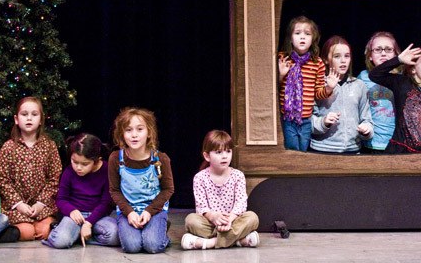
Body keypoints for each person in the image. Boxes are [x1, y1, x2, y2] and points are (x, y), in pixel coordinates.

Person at [0, 96, 63, 240]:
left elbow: (54, 178)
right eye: (24, 114)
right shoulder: (8, 147)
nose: (29, 118)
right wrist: (18, 204)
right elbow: (2, 180)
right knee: (27, 232)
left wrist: (40, 203)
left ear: (41, 120)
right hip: (17, 207)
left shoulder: (49, 146)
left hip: (42, 206)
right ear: (16, 119)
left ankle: (39, 224)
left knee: (45, 232)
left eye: (34, 114)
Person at [108, 107, 174, 254]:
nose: (134, 135)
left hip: (154, 210)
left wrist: (149, 211)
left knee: (152, 245)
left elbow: (168, 189)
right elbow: (114, 190)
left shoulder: (160, 158)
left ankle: (161, 233)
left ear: (149, 132)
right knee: (132, 246)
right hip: (128, 210)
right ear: (122, 134)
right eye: (128, 130)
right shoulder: (115, 158)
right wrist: (129, 212)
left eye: (140, 129)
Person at [182, 130, 259, 250]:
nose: (224, 156)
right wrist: (213, 217)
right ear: (207, 156)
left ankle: (210, 243)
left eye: (228, 151)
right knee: (191, 220)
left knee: (252, 218)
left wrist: (229, 219)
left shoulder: (238, 176)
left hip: (233, 221)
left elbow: (241, 203)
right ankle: (238, 240)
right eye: (218, 152)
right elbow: (201, 207)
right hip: (210, 223)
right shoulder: (200, 178)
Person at [42, 133, 119, 248]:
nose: (78, 167)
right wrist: (71, 210)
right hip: (75, 216)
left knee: (115, 235)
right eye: (75, 162)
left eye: (85, 164)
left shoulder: (106, 170)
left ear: (96, 161)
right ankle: (72, 233)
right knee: (60, 241)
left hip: (98, 216)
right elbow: (61, 199)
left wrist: (89, 223)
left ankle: (79, 236)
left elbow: (105, 203)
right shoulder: (69, 172)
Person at [278, 15, 334, 151]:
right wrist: (281, 75)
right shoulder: (283, 58)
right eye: (297, 33)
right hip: (288, 118)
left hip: (306, 119)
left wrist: (329, 88)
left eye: (307, 34)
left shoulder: (317, 62)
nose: (302, 37)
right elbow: (271, 90)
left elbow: (318, 94)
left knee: (303, 152)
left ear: (313, 39)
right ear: (290, 38)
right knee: (292, 151)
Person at [311, 36, 374, 153]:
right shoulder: (318, 85)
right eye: (337, 56)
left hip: (352, 150)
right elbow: (307, 121)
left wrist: (366, 130)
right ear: (325, 59)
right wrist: (323, 122)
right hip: (323, 149)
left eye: (347, 56)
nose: (343, 60)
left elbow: (367, 119)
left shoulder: (359, 85)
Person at [357, 31, 401, 154]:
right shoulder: (363, 77)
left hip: (397, 142)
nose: (383, 53)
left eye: (388, 49)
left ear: (396, 54)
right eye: (378, 49)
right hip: (372, 143)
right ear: (370, 56)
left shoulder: (401, 78)